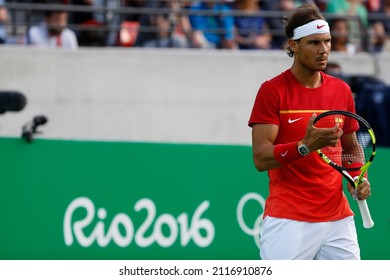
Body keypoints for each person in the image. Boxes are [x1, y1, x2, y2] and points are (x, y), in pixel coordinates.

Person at [248, 3, 371, 260]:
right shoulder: (272, 91)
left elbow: (350, 148)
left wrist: (356, 178)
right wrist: (305, 146)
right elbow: (261, 158)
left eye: (327, 41)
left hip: (338, 220)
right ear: (293, 45)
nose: (324, 49)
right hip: (288, 220)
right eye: (314, 43)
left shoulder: (341, 91)